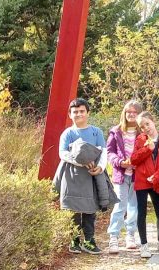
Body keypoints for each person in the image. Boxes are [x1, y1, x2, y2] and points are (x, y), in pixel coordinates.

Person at [56, 98, 108, 254]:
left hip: (92, 175)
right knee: (72, 209)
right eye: (75, 112)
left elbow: (103, 151)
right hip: (72, 175)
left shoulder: (96, 132)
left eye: (81, 111)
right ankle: (74, 239)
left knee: (90, 208)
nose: (78, 114)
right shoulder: (68, 133)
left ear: (88, 113)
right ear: (70, 114)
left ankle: (89, 241)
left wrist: (100, 167)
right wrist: (81, 161)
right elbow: (63, 153)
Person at [131, 111, 159, 258]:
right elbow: (133, 159)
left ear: (153, 121)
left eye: (147, 124)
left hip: (156, 180)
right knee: (141, 212)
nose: (145, 128)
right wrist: (146, 149)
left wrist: (157, 176)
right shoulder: (140, 139)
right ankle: (144, 245)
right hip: (142, 180)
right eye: (142, 127)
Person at [105, 99, 142, 253]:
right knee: (120, 205)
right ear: (124, 113)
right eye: (129, 112)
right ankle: (114, 237)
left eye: (135, 112)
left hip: (137, 175)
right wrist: (120, 162)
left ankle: (130, 235)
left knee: (134, 206)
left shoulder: (142, 132)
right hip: (121, 174)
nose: (131, 114)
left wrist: (137, 163)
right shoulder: (116, 131)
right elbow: (109, 152)